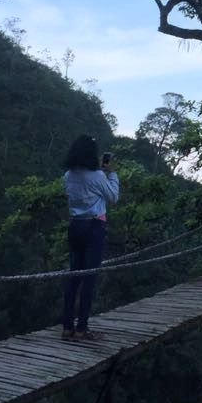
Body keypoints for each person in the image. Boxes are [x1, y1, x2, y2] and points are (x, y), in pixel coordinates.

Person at [61, 135, 119, 342]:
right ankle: (81, 328)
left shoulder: (68, 175)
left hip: (75, 226)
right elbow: (113, 197)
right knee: (90, 278)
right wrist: (111, 174)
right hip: (94, 227)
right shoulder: (97, 176)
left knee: (74, 276)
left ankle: (67, 327)